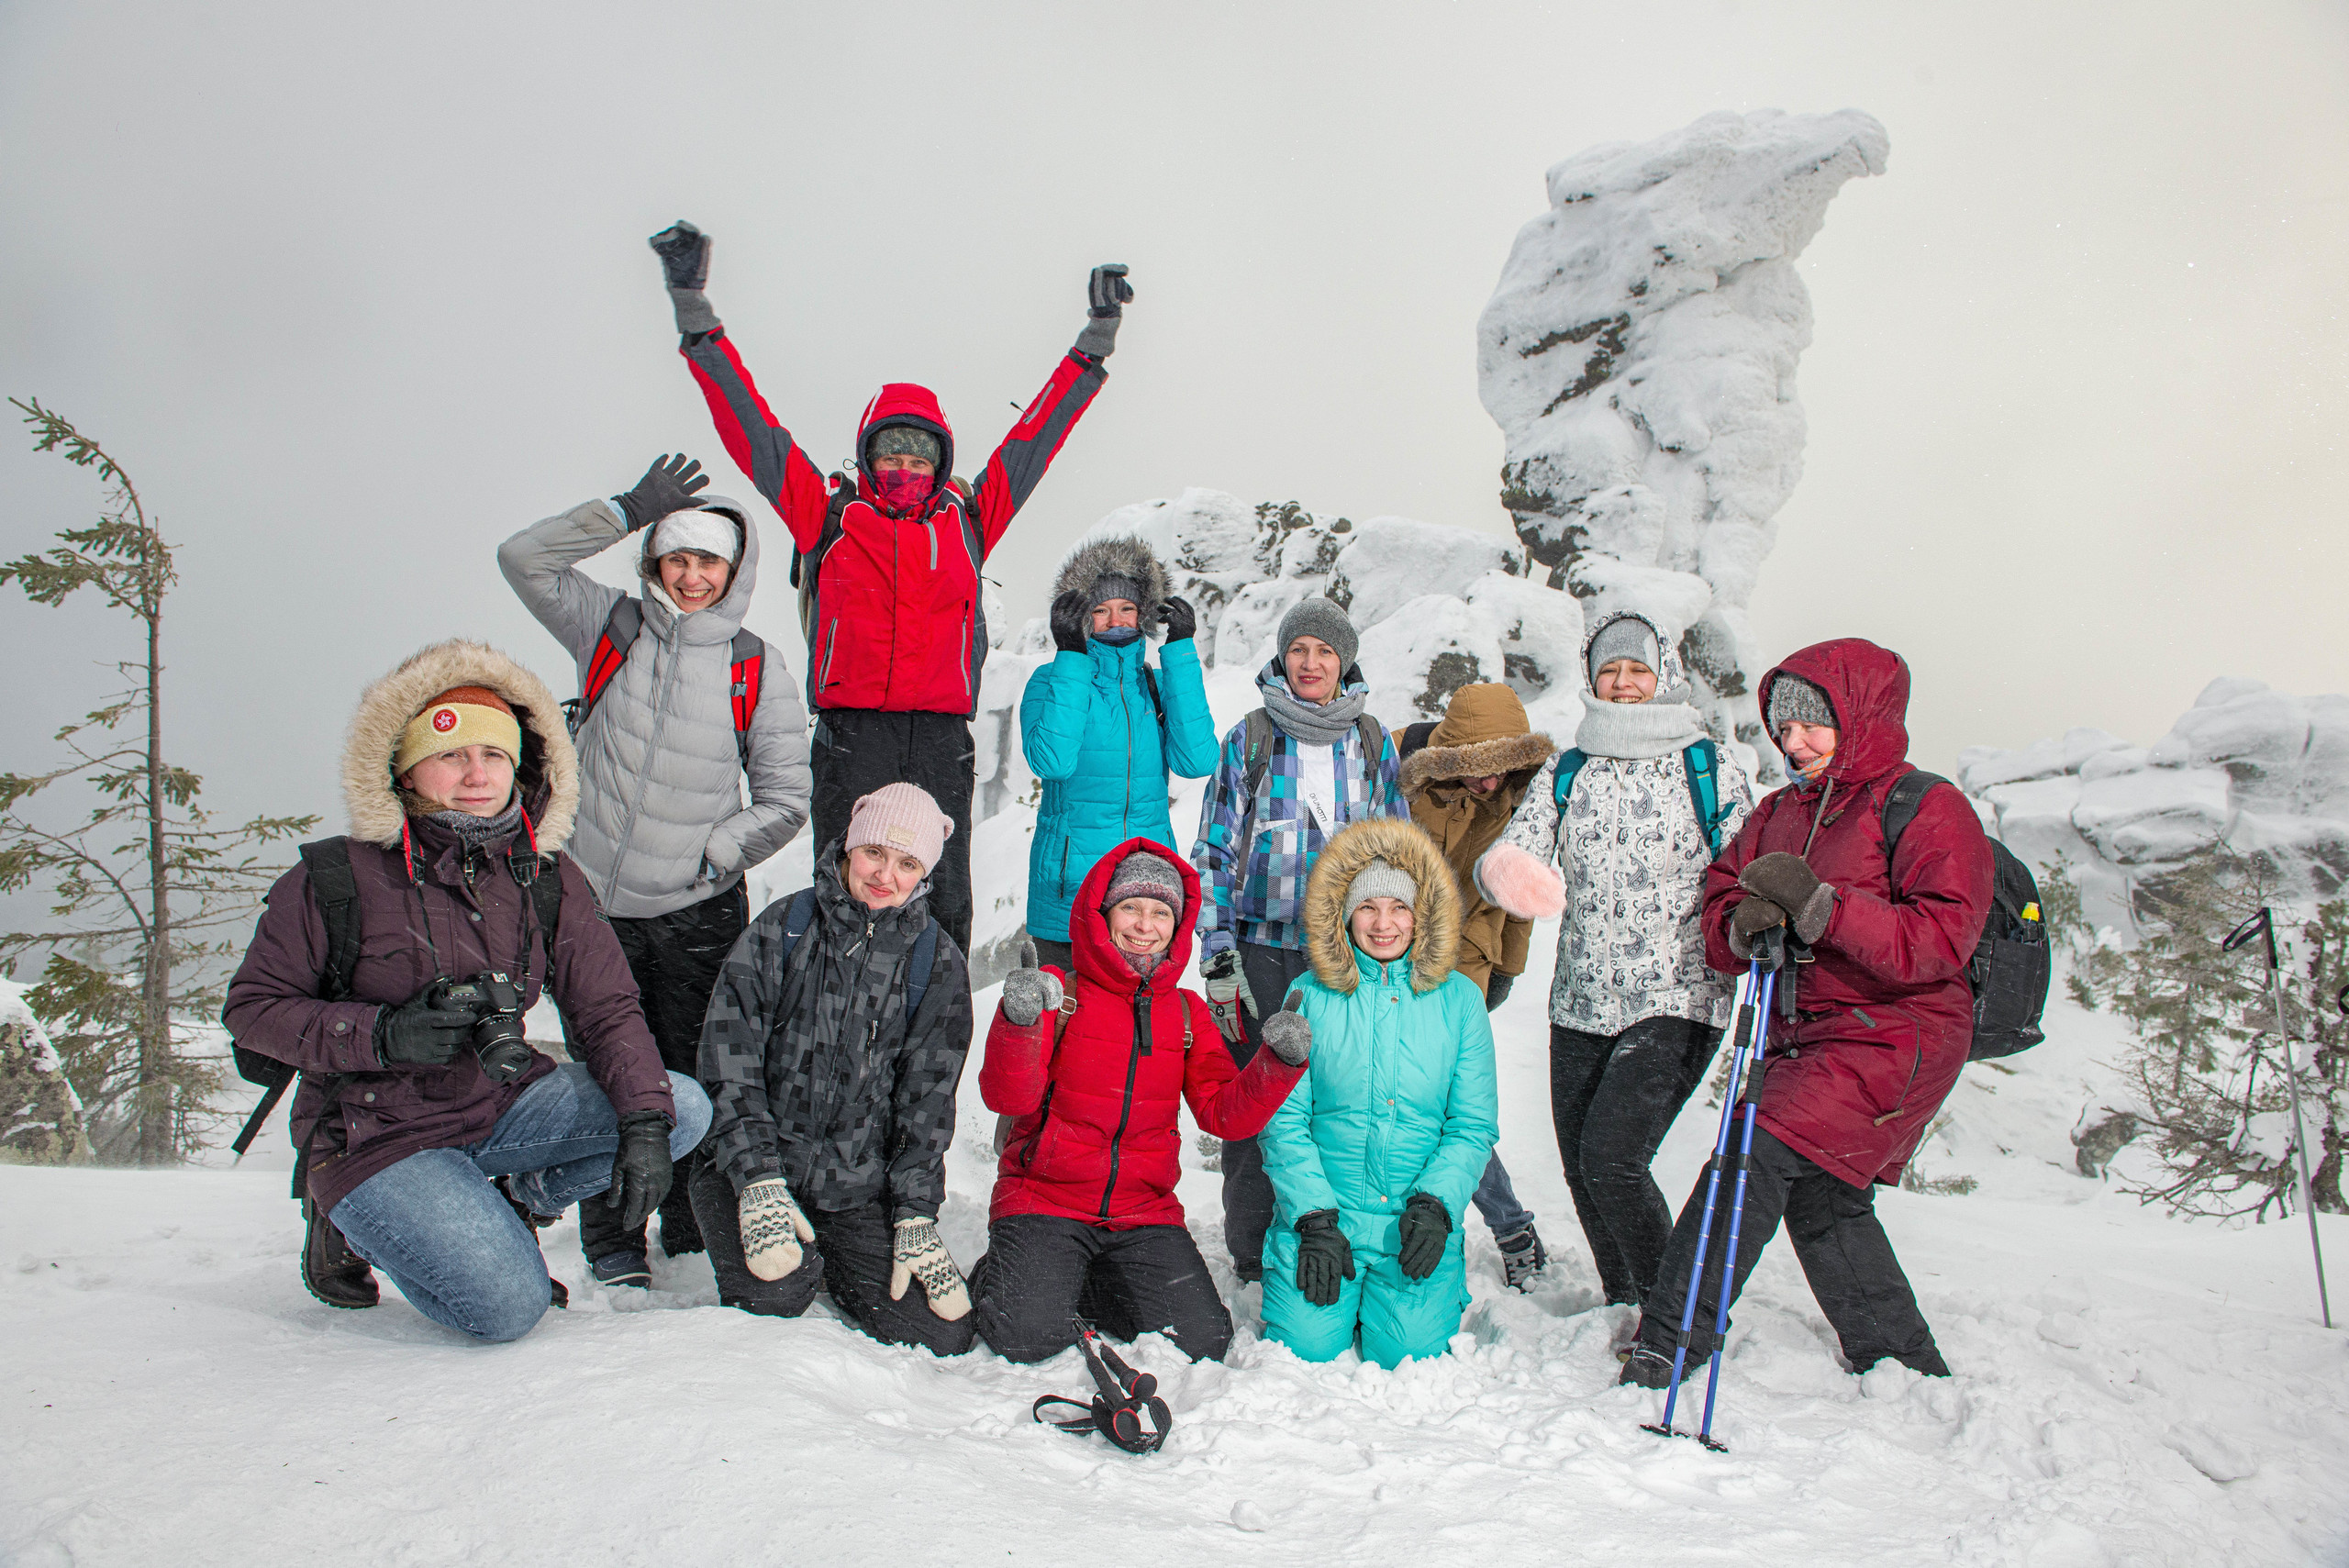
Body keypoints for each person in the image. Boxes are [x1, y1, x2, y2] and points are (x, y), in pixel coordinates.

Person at [649, 217, 1131, 955]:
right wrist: (696, 314)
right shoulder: (829, 516)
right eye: (890, 450)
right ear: (867, 455)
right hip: (853, 736)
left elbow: (1036, 438)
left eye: (920, 452)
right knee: (844, 894)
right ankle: (826, 1040)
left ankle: (932, 1049)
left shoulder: (968, 519)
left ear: (942, 460)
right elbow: (753, 429)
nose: (905, 465)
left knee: (942, 902)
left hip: (941, 737)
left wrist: (1092, 344)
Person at [223, 641, 709, 1342]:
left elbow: (607, 1008)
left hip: (501, 1102)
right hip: (375, 1130)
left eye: (494, 755)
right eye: (452, 754)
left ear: (522, 765)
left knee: (677, 1107)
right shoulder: (334, 876)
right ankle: (343, 1219)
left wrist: (640, 1125)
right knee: (508, 1310)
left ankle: (516, 1194)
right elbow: (252, 1009)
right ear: (406, 765)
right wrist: (382, 1034)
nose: (477, 773)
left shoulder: (546, 875)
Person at [1619, 639, 1992, 1386]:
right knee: (1825, 1199)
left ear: (1860, 719)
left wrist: (1824, 909)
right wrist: (1741, 923)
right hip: (1804, 1033)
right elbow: (1722, 890)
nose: (1794, 743)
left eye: (1813, 725)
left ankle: (1668, 1342)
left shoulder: (1926, 805)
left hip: (1897, 1030)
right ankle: (1900, 1361)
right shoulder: (1778, 813)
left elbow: (1940, 939)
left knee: (1751, 1151)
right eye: (1783, 728)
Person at [498, 460, 810, 1288]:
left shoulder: (756, 665)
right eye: (679, 556)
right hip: (589, 903)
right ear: (654, 560)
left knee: (697, 1065)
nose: (695, 575)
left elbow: (785, 797)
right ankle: (612, 1239)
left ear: (735, 571)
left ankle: (690, 1223)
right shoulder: (609, 625)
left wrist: (712, 853)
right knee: (608, 1064)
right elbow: (524, 558)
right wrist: (627, 508)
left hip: (697, 908)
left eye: (712, 561)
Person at [1476, 613, 1753, 1308]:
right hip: (1581, 998)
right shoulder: (1569, 768)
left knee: (1613, 1159)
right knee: (1580, 1165)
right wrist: (1508, 871)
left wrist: (1760, 908)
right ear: (1592, 676)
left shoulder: (1705, 763)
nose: (1624, 683)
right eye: (1610, 670)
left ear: (1662, 675)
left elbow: (1748, 858)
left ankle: (1672, 1315)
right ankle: (1626, 1301)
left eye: (1637, 669)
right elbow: (1519, 842)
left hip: (1678, 995)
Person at [972, 843, 1307, 1364]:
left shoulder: (1188, 1013)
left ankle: (1080, 1276)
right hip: (1046, 1198)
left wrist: (1277, 1063)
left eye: (1161, 913)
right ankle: (1017, 1273)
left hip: (1143, 1212)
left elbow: (1224, 1114)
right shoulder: (1058, 992)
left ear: (1177, 926)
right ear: (1102, 915)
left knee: (1201, 1344)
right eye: (1130, 907)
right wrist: (1018, 1022)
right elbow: (1007, 1096)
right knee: (1024, 1338)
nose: (1144, 925)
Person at [691, 784, 977, 1356]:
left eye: (907, 863)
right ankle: (778, 1238)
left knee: (941, 1333)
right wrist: (758, 1177)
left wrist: (915, 1214)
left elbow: (927, 1106)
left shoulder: (935, 962)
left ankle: (830, 1257)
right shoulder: (786, 927)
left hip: (852, 1190)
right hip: (746, 1169)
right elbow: (729, 1061)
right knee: (775, 1300)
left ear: (924, 874)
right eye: (874, 853)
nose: (884, 876)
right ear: (849, 848)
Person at [1189, 596, 1404, 1282]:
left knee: (1344, 1096)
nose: (1310, 663)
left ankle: (1336, 1238)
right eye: (1299, 650)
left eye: (1325, 651)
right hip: (1258, 950)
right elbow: (1213, 852)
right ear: (1283, 657)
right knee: (1258, 1096)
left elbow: (1397, 850)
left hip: (1348, 954)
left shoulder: (1371, 742)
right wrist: (1218, 954)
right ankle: (1252, 1252)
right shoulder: (1250, 738)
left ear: (1345, 662)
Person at [1257, 817, 1498, 1368]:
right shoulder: (1307, 994)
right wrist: (1314, 1216)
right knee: (1304, 1347)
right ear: (1343, 914)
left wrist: (1437, 1205)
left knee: (1408, 1351)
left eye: (1399, 907)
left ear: (1422, 915)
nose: (1384, 924)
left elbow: (1472, 1124)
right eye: (1368, 908)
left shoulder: (1460, 1001)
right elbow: (1283, 1118)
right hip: (1326, 1220)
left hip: (1411, 1226)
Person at [1395, 682, 1559, 1290]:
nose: (1487, 783)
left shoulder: (1527, 800)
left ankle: (1511, 1225)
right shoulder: (1400, 769)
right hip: (1390, 945)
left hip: (1467, 952)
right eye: (1472, 769)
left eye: (1499, 769)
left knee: (1447, 1102)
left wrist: (1508, 970)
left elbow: (1519, 895)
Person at [1021, 535, 1218, 972]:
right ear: (1081, 616)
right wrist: (1072, 656)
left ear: (1143, 614)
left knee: (1134, 1035)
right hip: (1069, 892)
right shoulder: (1049, 679)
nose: (1115, 620)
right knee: (1058, 1029)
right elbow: (1052, 761)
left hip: (1143, 895)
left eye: (1126, 608)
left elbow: (1198, 760)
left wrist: (1181, 652)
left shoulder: (1157, 684)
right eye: (1100, 609)